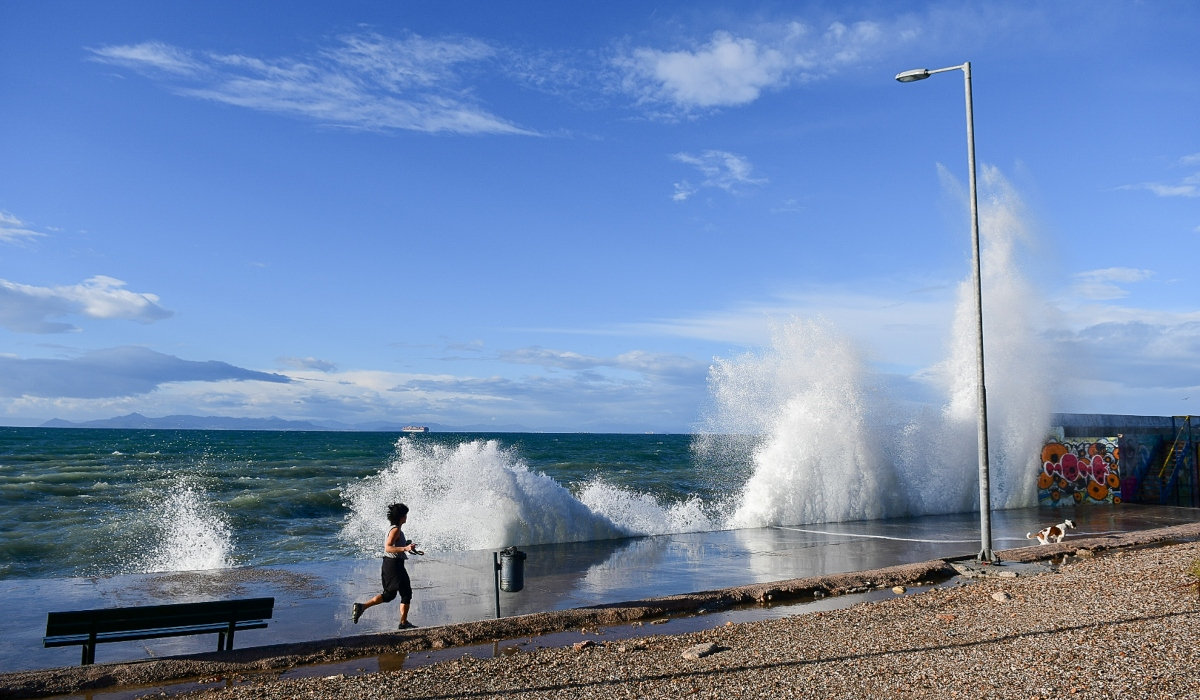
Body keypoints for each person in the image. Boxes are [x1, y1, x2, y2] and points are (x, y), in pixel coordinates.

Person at [351, 502, 421, 629]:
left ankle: (362, 607)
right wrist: (405, 548)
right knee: (406, 594)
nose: (406, 517)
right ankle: (403, 623)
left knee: (389, 595)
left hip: (390, 565)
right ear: (401, 517)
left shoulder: (394, 528)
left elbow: (395, 546)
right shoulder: (395, 530)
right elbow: (388, 548)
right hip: (394, 566)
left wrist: (407, 546)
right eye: (405, 515)